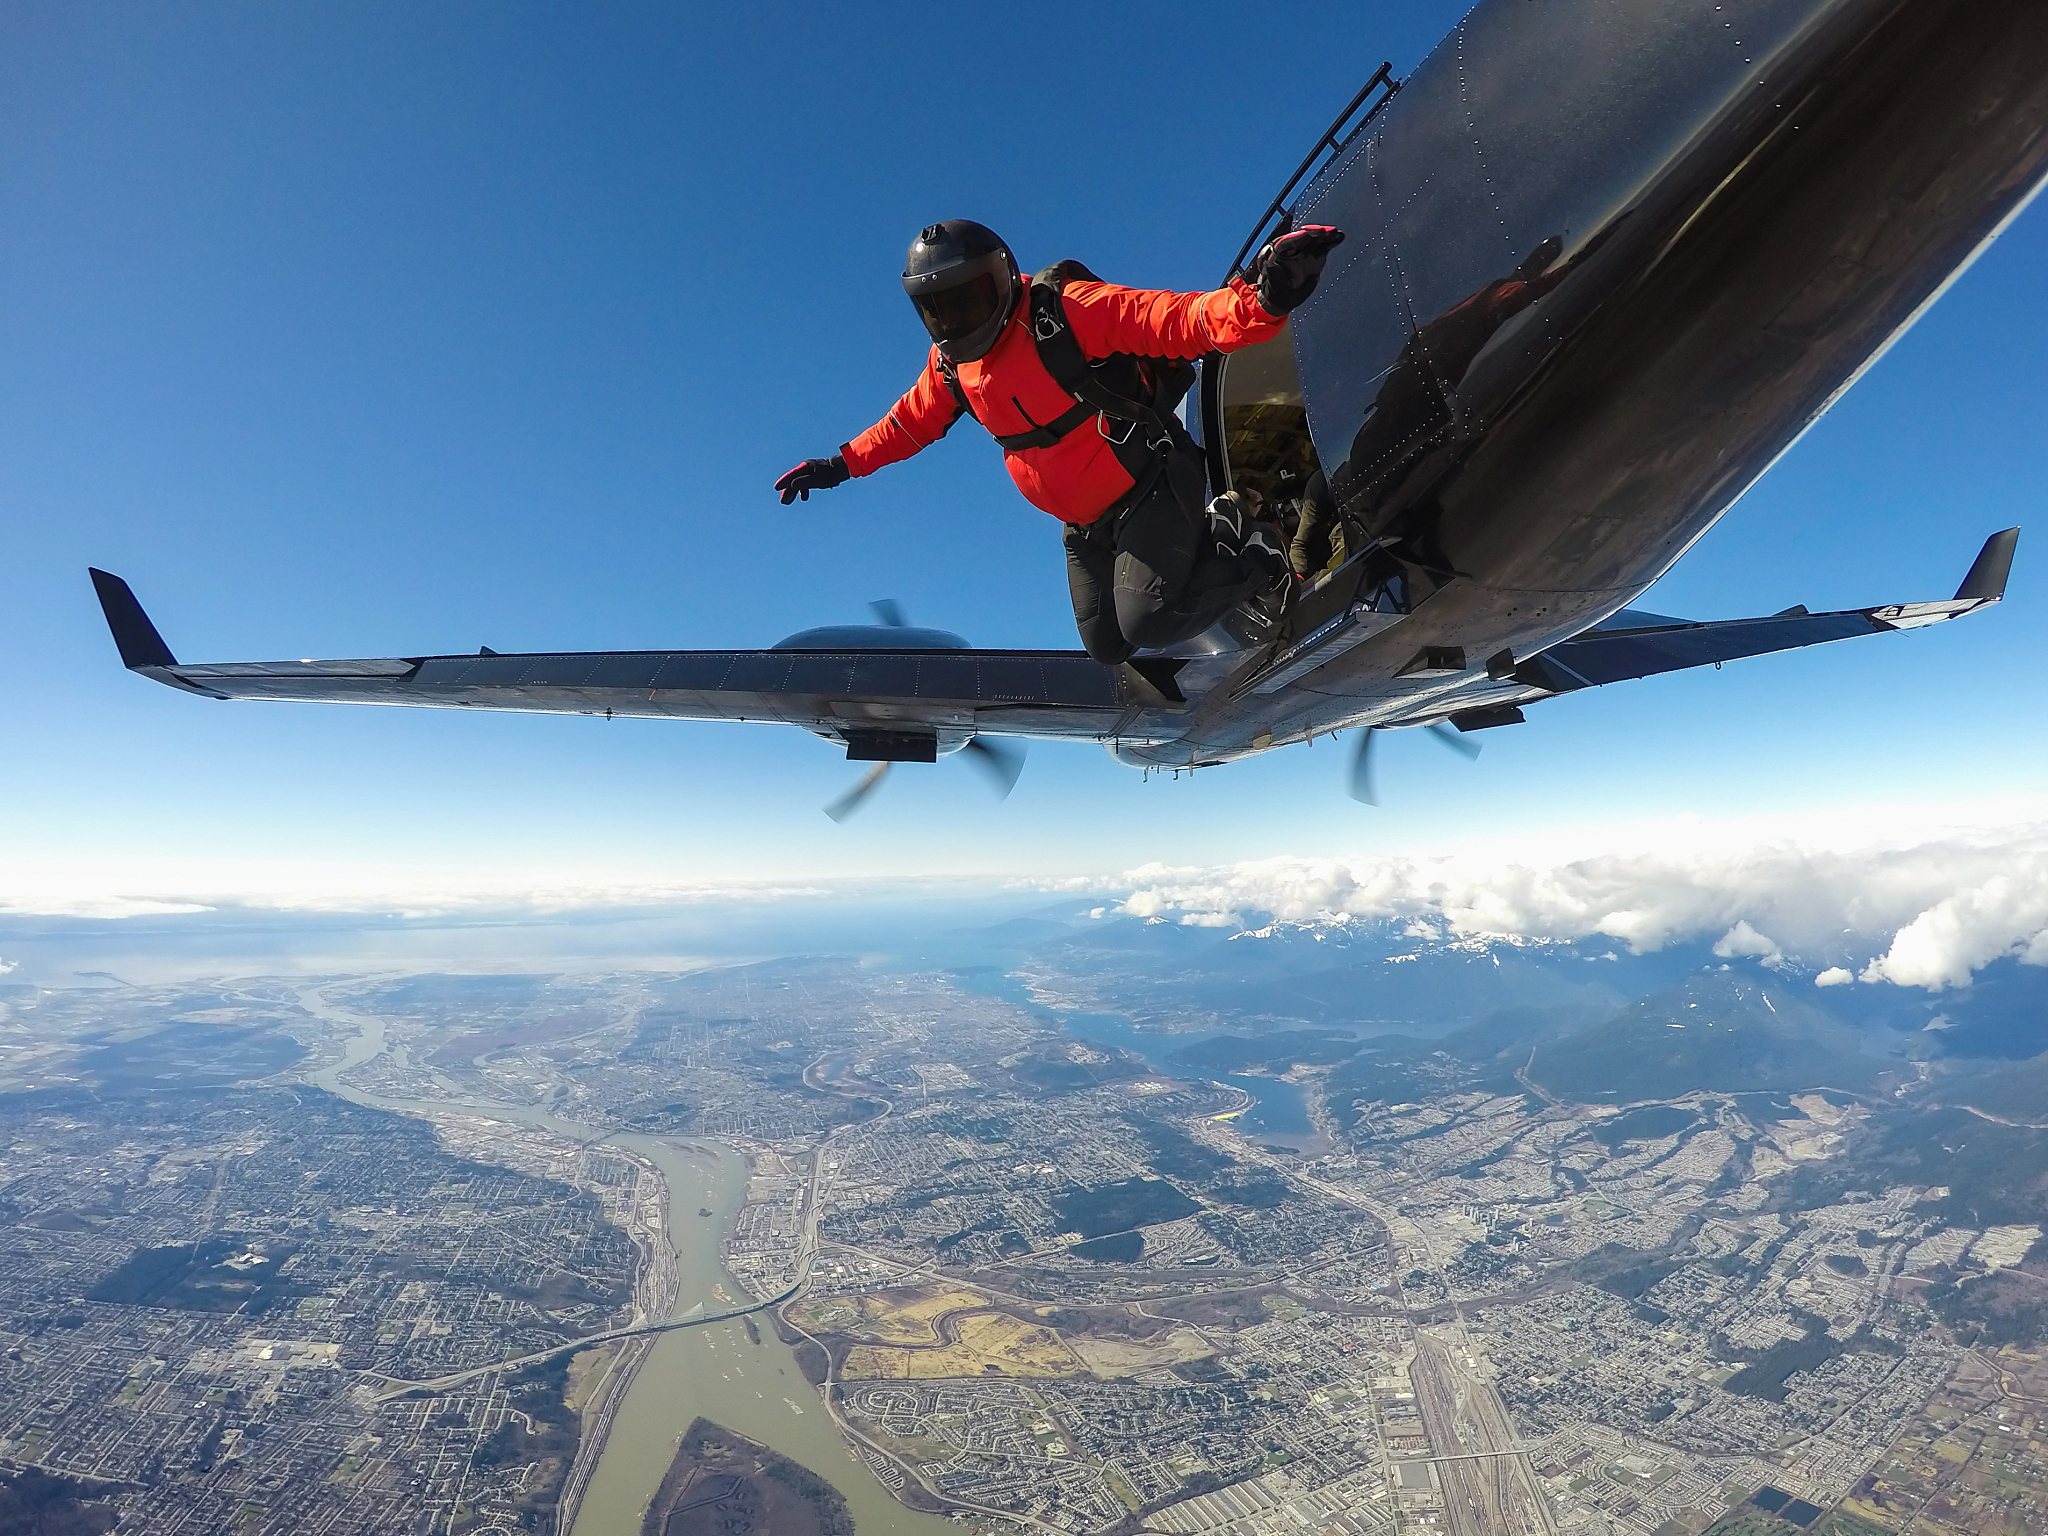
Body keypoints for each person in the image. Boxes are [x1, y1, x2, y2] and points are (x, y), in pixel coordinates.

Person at [774, 219, 1345, 664]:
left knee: (1151, 620)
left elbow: (1175, 320)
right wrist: (839, 466)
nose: (956, 320)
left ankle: (1259, 551)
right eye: (938, 309)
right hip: (1084, 524)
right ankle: (1218, 538)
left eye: (967, 299)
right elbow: (908, 422)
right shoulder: (950, 366)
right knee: (1108, 646)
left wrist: (1263, 301)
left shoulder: (1064, 312)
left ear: (1001, 277)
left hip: (1148, 480)